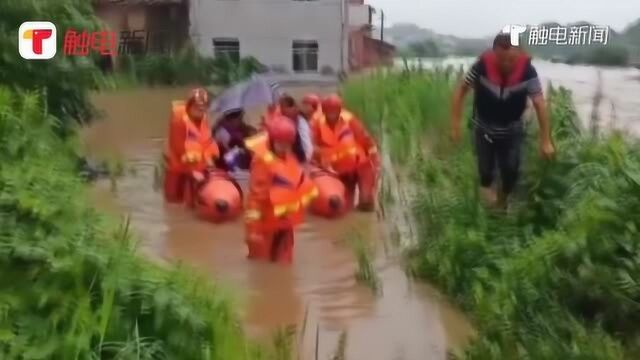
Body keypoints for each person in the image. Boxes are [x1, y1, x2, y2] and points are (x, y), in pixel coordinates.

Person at [450, 32, 556, 209]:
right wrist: (455, 125)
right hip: (484, 127)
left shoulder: (528, 72)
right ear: (494, 54)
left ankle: (501, 204)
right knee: (485, 172)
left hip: (512, 130)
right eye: (502, 60)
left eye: (511, 60)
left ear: (519, 54)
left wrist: (545, 140)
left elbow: (539, 104)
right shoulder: (482, 66)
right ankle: (489, 203)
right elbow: (461, 91)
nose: (507, 64)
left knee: (511, 171)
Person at [244, 115, 318, 264]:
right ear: (272, 140)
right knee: (263, 265)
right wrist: (253, 230)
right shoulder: (262, 162)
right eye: (280, 143)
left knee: (284, 264)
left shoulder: (288, 157)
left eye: (287, 143)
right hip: (267, 224)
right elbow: (256, 198)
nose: (283, 147)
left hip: (285, 221)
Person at [310, 94, 379, 211]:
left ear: (339, 110)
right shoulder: (316, 122)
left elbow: (365, 139)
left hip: (359, 165)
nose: (332, 115)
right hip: (336, 169)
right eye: (329, 112)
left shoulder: (349, 119)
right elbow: (311, 145)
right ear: (324, 111)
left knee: (366, 203)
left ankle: (365, 200)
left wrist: (374, 160)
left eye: (335, 111)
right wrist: (320, 160)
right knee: (343, 206)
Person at [164, 88, 220, 207]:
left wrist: (210, 157)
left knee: (193, 203)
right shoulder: (179, 120)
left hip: (198, 167)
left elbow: (207, 141)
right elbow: (179, 147)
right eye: (198, 106)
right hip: (179, 169)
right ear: (190, 105)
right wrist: (192, 170)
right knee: (174, 204)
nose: (201, 109)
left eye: (204, 106)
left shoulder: (202, 119)